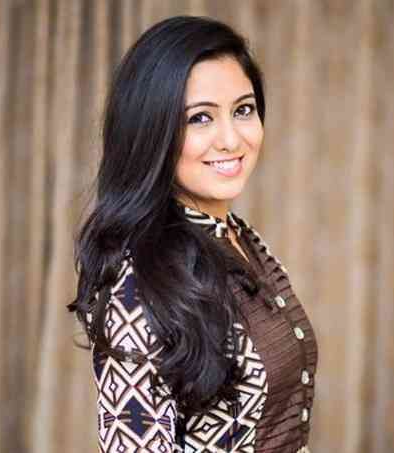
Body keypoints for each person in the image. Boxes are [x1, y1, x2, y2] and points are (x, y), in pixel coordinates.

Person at [68, 15, 318, 453]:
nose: (230, 139)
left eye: (243, 110)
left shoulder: (239, 238)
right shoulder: (139, 282)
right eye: (200, 119)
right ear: (153, 131)